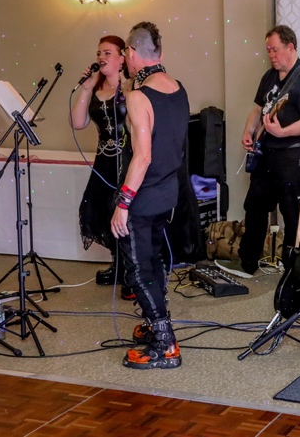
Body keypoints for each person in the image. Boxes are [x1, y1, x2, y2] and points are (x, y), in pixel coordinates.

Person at [216, 25, 300, 278]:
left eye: (275, 50)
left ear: (290, 47)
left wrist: (282, 132)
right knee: (254, 207)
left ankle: (292, 271)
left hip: (293, 158)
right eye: (268, 50)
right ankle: (248, 263)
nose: (271, 55)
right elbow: (258, 109)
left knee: (291, 215)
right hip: (266, 154)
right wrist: (249, 131)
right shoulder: (269, 76)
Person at [111, 21, 189, 370]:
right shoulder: (177, 88)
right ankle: (156, 322)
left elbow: (142, 156)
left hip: (143, 196)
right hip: (169, 192)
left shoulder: (138, 98)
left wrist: (123, 203)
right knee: (153, 260)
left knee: (139, 270)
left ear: (130, 53)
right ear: (160, 52)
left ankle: (165, 344)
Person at [71, 35, 134, 300]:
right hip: (103, 160)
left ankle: (133, 270)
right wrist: (86, 88)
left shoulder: (132, 86)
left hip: (126, 159)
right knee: (102, 209)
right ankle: (118, 264)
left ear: (122, 58)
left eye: (108, 53)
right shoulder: (95, 88)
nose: (101, 57)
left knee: (126, 213)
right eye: (99, 53)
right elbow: (78, 123)